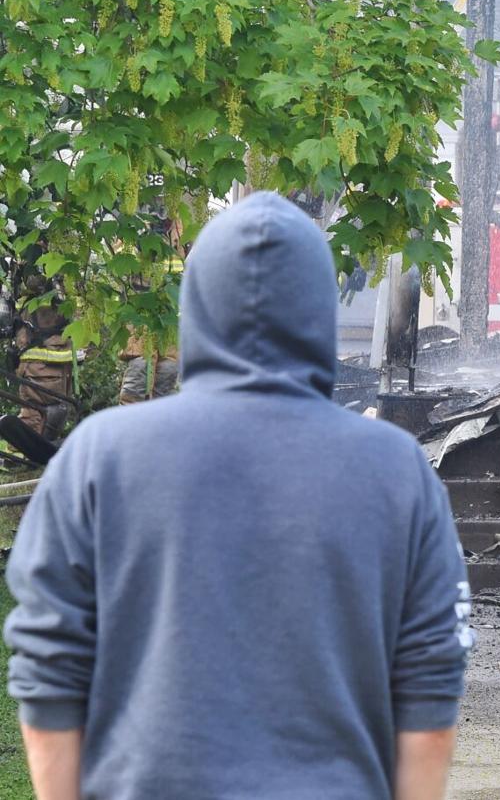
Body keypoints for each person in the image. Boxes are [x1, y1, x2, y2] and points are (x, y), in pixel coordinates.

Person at [5, 193, 472, 799]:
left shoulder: (99, 457)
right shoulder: (396, 469)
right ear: (317, 311)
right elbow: (429, 699)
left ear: (196, 306)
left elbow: (49, 676)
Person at [117, 209, 185, 405]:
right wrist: (143, 242)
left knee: (168, 374)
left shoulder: (179, 228)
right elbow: (121, 263)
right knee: (140, 370)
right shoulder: (133, 222)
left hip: (170, 316)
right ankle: (130, 430)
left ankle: (159, 430)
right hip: (141, 313)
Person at [13, 272, 77, 440]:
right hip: (61, 365)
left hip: (37, 364)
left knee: (32, 410)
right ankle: (40, 446)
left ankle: (25, 450)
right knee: (57, 408)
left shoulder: (33, 304)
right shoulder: (64, 298)